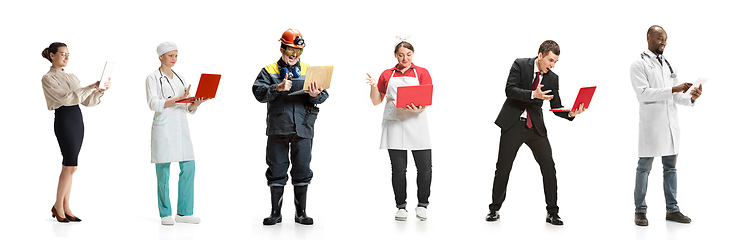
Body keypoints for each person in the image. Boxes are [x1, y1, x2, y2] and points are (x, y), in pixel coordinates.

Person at [486, 40, 585, 225]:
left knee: (548, 166)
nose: (552, 65)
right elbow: (509, 90)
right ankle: (494, 209)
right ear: (540, 55)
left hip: (535, 127)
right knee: (503, 167)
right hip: (513, 123)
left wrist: (570, 112)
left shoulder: (552, 77)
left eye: (555, 62)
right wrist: (533, 95)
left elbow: (556, 106)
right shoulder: (520, 64)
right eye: (550, 60)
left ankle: (552, 212)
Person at [252, 28, 328, 226]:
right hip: (278, 127)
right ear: (281, 48)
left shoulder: (310, 70)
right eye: (290, 51)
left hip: (303, 127)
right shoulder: (269, 70)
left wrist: (314, 95)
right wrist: (276, 88)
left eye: (298, 52)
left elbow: (323, 95)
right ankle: (275, 213)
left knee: (302, 168)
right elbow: (258, 92)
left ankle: (300, 213)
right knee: (276, 168)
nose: (294, 55)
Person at [630, 25, 702, 226]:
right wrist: (673, 89)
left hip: (670, 126)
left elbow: (677, 96)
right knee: (644, 168)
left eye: (666, 39)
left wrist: (691, 97)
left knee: (670, 168)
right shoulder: (638, 64)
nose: (664, 42)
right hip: (651, 127)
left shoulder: (668, 64)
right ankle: (640, 211)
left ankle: (672, 209)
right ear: (648, 38)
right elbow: (643, 94)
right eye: (660, 38)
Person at [365, 36, 433, 221]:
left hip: (417, 122)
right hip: (394, 123)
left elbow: (426, 98)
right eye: (401, 55)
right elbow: (376, 101)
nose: (405, 59)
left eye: (408, 55)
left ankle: (422, 204)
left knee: (425, 168)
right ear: (395, 55)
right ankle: (401, 207)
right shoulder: (387, 74)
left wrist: (420, 107)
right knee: (398, 169)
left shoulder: (422, 73)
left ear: (413, 54)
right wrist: (372, 87)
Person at [41, 42, 110, 223]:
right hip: (64, 119)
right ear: (52, 55)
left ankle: (65, 206)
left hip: (77, 119)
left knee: (71, 167)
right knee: (70, 165)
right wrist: (89, 87)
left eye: (68, 54)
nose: (66, 57)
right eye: (62, 54)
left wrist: (99, 90)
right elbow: (67, 98)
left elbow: (86, 101)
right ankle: (57, 206)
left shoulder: (72, 76)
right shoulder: (48, 78)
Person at [145, 41, 208, 225]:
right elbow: (153, 104)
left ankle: (184, 213)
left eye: (176, 56)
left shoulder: (180, 77)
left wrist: (195, 103)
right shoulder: (152, 78)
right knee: (163, 172)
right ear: (160, 56)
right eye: (171, 55)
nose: (174, 59)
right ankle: (165, 213)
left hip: (181, 128)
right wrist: (177, 99)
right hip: (164, 128)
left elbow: (186, 107)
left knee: (189, 167)